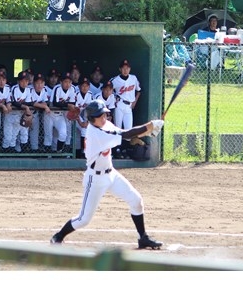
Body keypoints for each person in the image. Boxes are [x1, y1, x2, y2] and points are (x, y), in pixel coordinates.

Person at [50, 99, 164, 249]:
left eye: (104, 114)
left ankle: (143, 237)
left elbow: (125, 134)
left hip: (111, 174)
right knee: (84, 219)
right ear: (92, 119)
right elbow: (126, 134)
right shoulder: (95, 133)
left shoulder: (105, 125)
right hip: (95, 179)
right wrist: (149, 126)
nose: (104, 117)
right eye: (100, 115)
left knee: (136, 201)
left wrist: (149, 131)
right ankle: (58, 236)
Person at [49, 71, 77, 154]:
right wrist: (67, 104)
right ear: (61, 82)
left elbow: (73, 102)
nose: (67, 84)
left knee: (63, 133)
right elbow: (55, 103)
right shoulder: (57, 88)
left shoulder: (72, 88)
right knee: (49, 135)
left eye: (69, 82)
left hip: (61, 114)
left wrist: (67, 105)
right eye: (65, 81)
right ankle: (47, 154)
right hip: (50, 114)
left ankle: (58, 151)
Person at [110, 59, 141, 129]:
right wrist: (114, 98)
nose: (125, 70)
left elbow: (139, 90)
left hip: (129, 106)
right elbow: (107, 89)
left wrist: (135, 101)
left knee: (129, 129)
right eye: (123, 68)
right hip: (119, 105)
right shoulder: (115, 80)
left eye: (127, 68)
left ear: (130, 69)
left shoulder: (133, 78)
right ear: (120, 69)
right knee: (117, 128)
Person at [7, 70, 34, 153]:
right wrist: (25, 106)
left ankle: (24, 152)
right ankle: (11, 151)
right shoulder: (14, 88)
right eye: (22, 81)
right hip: (13, 114)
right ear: (18, 81)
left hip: (23, 114)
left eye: (26, 81)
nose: (24, 83)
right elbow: (14, 102)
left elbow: (29, 102)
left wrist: (25, 106)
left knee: (24, 133)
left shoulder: (28, 90)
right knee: (13, 133)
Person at [29, 72, 53, 153]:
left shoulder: (44, 90)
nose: (39, 85)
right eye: (37, 83)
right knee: (22, 133)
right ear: (33, 83)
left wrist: (43, 105)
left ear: (44, 83)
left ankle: (34, 149)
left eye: (41, 83)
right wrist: (44, 106)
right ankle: (19, 150)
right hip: (26, 114)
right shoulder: (30, 89)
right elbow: (32, 103)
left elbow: (45, 102)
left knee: (35, 131)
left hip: (36, 114)